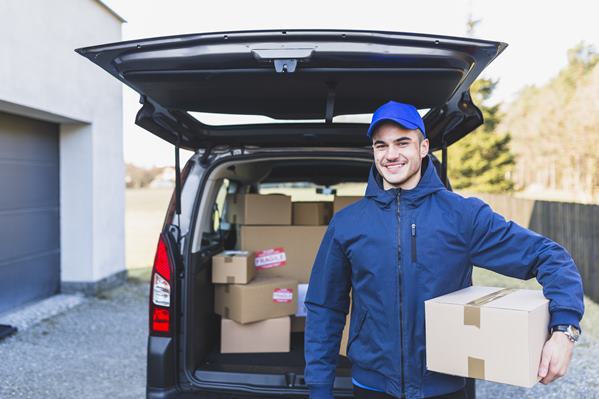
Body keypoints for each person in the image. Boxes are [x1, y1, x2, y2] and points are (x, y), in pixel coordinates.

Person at [303, 101, 585, 399]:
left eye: (402, 142)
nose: (391, 154)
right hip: (371, 387)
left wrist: (564, 331)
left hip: (444, 386)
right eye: (381, 145)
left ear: (424, 147)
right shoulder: (348, 223)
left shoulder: (462, 216)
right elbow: (325, 306)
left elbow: (550, 257)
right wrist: (320, 387)